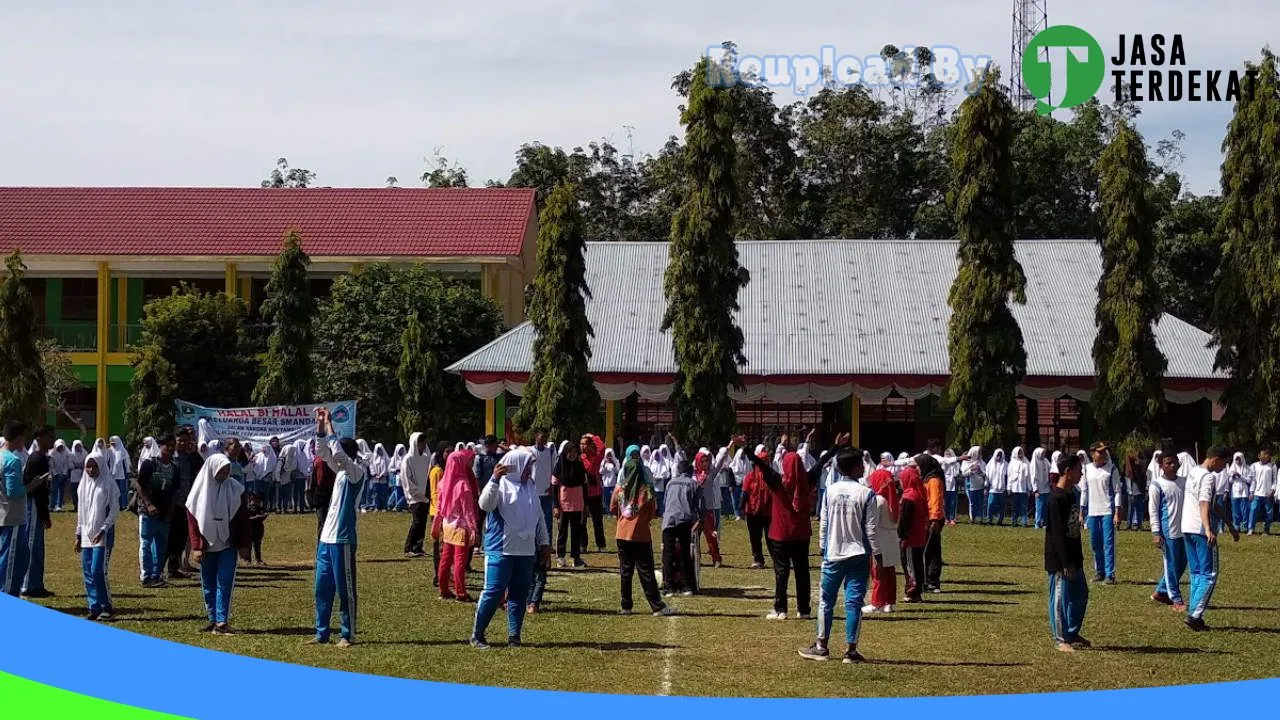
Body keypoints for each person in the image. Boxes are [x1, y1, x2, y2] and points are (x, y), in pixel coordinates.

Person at [798, 444, 880, 664]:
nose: (864, 467)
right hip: (859, 555)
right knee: (854, 602)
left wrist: (822, 547)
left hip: (833, 553)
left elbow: (823, 521)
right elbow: (871, 528)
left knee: (826, 600)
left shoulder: (830, 490)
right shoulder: (867, 493)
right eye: (861, 464)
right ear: (853, 467)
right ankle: (851, 651)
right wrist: (877, 554)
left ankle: (821, 646)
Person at [748, 430, 839, 620]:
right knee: (802, 571)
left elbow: (761, 466)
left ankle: (781, 609)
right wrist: (836, 446)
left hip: (780, 535)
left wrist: (745, 449)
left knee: (781, 572)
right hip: (801, 534)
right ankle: (804, 609)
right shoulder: (807, 480)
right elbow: (822, 463)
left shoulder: (777, 482)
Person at [470, 447, 552, 650]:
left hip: (525, 550)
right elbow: (485, 505)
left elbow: (539, 516)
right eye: (526, 466)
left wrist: (544, 543)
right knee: (493, 591)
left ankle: (514, 636)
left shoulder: (530, 487)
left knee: (519, 593)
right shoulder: (501, 485)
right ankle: (477, 635)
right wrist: (494, 479)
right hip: (501, 549)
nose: (529, 471)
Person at [309, 408, 367, 647]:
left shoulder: (355, 472)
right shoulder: (342, 472)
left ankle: (347, 634)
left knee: (345, 589)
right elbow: (323, 451)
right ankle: (321, 632)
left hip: (342, 538)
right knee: (321, 587)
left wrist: (332, 425)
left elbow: (337, 455)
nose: (336, 454)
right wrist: (321, 426)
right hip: (327, 537)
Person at [186, 453, 251, 635]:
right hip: (207, 545)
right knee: (208, 582)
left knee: (225, 581)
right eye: (221, 470)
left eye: (227, 470)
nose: (224, 473)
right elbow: (193, 520)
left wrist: (244, 544)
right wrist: (197, 546)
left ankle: (222, 621)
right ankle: (212, 618)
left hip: (227, 544)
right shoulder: (198, 492)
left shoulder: (235, 489)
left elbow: (243, 519)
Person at [1181, 446, 1239, 632]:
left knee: (1197, 573)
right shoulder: (1207, 477)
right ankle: (1195, 615)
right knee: (1209, 575)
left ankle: (1194, 613)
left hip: (1187, 527)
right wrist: (1208, 529)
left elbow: (1213, 504)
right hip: (1200, 529)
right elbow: (1205, 503)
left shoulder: (1193, 472)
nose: (1224, 467)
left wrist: (1229, 524)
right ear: (1215, 459)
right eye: (1223, 463)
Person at [610, 446, 672, 616]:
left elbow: (612, 506)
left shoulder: (620, 487)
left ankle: (626, 606)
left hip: (622, 534)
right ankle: (657, 606)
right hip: (641, 534)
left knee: (626, 571)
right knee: (646, 571)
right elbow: (652, 512)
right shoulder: (646, 490)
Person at [1046, 452, 1089, 652]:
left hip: (1074, 557)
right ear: (1067, 471)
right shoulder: (1056, 499)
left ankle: (1071, 632)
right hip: (1060, 560)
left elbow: (1073, 531)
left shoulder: (1072, 494)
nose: (1081, 474)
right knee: (1060, 599)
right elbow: (1057, 535)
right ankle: (1060, 638)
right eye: (1079, 470)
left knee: (1080, 594)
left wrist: (1077, 558)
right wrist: (1064, 564)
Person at [75, 445, 119, 620]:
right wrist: (78, 535)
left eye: (94, 466)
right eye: (88, 466)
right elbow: (80, 511)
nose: (91, 470)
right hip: (86, 533)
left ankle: (106, 605)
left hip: (102, 533)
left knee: (97, 570)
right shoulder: (82, 485)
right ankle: (94, 606)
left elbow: (114, 510)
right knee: (87, 571)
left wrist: (103, 529)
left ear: (101, 465)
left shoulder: (108, 483)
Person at [433, 447, 479, 602]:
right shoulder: (463, 485)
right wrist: (474, 529)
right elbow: (468, 511)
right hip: (460, 526)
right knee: (460, 560)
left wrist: (436, 524)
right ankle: (460, 592)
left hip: (447, 525)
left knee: (445, 558)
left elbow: (439, 507)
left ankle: (443, 588)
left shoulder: (443, 482)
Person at [133, 433, 178, 588]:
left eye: (173, 445)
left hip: (165, 513)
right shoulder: (149, 464)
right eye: (167, 445)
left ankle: (156, 575)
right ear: (160, 446)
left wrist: (171, 510)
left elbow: (174, 491)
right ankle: (146, 576)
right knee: (145, 543)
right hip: (148, 512)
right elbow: (139, 484)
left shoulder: (174, 467)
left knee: (161, 544)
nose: (171, 448)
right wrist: (148, 504)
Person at [19, 426, 56, 598]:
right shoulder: (36, 459)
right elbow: (34, 488)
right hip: (33, 506)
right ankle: (28, 585)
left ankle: (37, 583)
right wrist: (44, 515)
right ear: (39, 438)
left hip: (38, 506)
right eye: (49, 437)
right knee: (32, 546)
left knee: (38, 547)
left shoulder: (43, 458)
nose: (52, 441)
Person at [1149, 451, 1187, 611]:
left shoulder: (1184, 481)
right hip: (1168, 531)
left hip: (1184, 529)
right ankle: (1176, 599)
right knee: (1171, 564)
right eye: (1168, 463)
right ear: (1161, 466)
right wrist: (1156, 532)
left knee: (1182, 563)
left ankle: (1161, 591)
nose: (1172, 466)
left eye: (1174, 462)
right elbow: (1153, 510)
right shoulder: (1157, 485)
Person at [1080, 442, 1123, 584]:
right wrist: (1082, 511)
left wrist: (1117, 512)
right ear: (1093, 454)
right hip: (1093, 512)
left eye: (1105, 452)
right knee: (1095, 543)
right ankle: (1099, 571)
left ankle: (1110, 574)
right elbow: (1084, 491)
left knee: (1108, 543)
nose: (1103, 454)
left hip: (1107, 511)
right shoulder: (1087, 469)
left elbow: (1117, 491)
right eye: (1100, 452)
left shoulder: (1111, 469)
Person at [660, 454, 703, 596]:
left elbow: (665, 503)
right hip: (684, 521)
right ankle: (688, 586)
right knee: (685, 553)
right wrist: (699, 520)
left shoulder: (670, 483)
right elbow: (698, 506)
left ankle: (668, 586)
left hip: (669, 520)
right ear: (690, 472)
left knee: (668, 553)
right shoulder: (693, 484)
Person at [0, 423, 33, 597]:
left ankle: (13, 592)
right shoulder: (12, 460)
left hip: (4, 514)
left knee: (22, 556)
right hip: (11, 516)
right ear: (18, 437)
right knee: (9, 560)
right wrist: (31, 485)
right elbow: (13, 491)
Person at [863, 462, 899, 614]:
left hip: (880, 539)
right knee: (890, 572)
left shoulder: (877, 500)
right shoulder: (892, 499)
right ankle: (889, 602)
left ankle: (877, 602)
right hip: (891, 538)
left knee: (878, 572)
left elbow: (872, 523)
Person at [167, 426, 202, 580]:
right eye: (180, 441)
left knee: (181, 537)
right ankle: (162, 569)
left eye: (185, 441)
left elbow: (201, 468)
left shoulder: (190, 458)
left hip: (186, 503)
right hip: (171, 503)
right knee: (169, 537)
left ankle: (174, 569)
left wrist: (194, 452)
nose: (182, 444)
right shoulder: (169, 457)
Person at [528, 433, 557, 614]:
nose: (541, 441)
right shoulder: (530, 452)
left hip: (545, 493)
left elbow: (554, 469)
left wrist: (552, 486)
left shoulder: (549, 451)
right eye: (539, 438)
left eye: (544, 438)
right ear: (535, 439)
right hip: (533, 491)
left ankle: (546, 549)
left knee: (546, 522)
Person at [552, 441, 587, 568]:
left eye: (574, 452)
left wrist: (585, 504)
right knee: (562, 531)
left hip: (578, 504)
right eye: (570, 452)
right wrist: (556, 505)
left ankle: (576, 557)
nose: (572, 454)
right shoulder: (559, 466)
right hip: (563, 504)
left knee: (576, 532)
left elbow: (584, 486)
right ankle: (560, 557)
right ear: (565, 453)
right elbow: (555, 487)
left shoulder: (579, 465)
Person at [898, 462, 928, 603]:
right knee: (917, 563)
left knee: (910, 564)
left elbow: (904, 519)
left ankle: (913, 591)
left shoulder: (909, 496)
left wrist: (901, 534)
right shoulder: (919, 491)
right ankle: (917, 589)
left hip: (911, 537)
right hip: (919, 535)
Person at [400, 432, 432, 558]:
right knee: (417, 522)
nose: (423, 445)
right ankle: (409, 547)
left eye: (424, 442)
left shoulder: (425, 458)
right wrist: (416, 492)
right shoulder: (408, 459)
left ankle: (418, 546)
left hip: (425, 495)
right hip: (414, 497)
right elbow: (406, 479)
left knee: (423, 522)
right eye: (421, 442)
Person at [918, 454, 947, 594]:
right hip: (927, 518)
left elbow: (935, 501)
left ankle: (932, 582)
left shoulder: (934, 480)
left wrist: (934, 520)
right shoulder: (926, 478)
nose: (917, 468)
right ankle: (926, 580)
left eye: (919, 465)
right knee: (928, 550)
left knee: (932, 551)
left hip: (932, 520)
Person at [740, 445, 772, 569]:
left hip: (768, 512)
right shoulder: (750, 476)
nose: (765, 463)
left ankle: (776, 558)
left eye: (766, 461)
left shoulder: (771, 476)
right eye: (762, 461)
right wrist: (741, 509)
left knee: (771, 538)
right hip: (753, 512)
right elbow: (745, 493)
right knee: (755, 537)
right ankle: (758, 559)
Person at [580, 434, 607, 553]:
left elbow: (602, 447)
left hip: (595, 494)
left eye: (585, 443)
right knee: (582, 521)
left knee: (597, 521)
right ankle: (583, 545)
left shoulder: (596, 457)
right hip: (582, 494)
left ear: (591, 445)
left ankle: (601, 544)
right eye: (581, 444)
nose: (582, 446)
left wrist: (593, 436)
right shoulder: (579, 458)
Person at [309, 441, 337, 540]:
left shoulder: (332, 461)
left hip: (330, 494)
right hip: (322, 495)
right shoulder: (319, 461)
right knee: (324, 522)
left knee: (326, 522)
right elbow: (315, 480)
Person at [1249, 449, 1275, 535]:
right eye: (1263, 455)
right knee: (1253, 510)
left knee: (1269, 513)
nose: (1265, 456)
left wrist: (1272, 490)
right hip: (1257, 493)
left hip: (1268, 494)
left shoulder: (1272, 466)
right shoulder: (1254, 465)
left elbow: (1275, 480)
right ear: (1259, 456)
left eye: (1267, 455)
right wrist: (1251, 492)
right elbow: (1253, 480)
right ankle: (1251, 529)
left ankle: (1266, 530)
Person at [1225, 452, 1252, 532]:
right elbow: (1229, 481)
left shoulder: (1247, 468)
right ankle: (1236, 525)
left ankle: (1245, 526)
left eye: (1239, 459)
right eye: (1236, 460)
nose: (1238, 461)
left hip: (1244, 491)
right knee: (1235, 509)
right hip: (1235, 491)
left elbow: (1249, 480)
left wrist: (1240, 476)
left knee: (1245, 510)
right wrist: (1233, 476)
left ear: (1242, 459)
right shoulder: (1232, 468)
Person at [1008, 447, 1032, 528]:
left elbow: (1028, 476)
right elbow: (1009, 476)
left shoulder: (1026, 462)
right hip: (1014, 488)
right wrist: (1009, 487)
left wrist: (1029, 488)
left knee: (1024, 506)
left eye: (1021, 452)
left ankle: (1024, 522)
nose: (1020, 454)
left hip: (1023, 488)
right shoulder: (1012, 463)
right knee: (1014, 506)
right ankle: (1014, 521)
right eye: (1018, 453)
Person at [961, 446, 986, 524]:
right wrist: (972, 469)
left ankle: (980, 518)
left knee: (980, 502)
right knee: (972, 502)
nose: (979, 455)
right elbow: (964, 473)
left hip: (980, 485)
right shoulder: (966, 462)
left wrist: (980, 470)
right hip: (970, 485)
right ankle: (972, 518)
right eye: (978, 453)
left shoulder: (982, 462)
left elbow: (985, 474)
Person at [1126, 453, 1148, 531]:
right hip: (1133, 491)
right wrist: (1130, 491)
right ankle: (1129, 525)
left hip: (1139, 491)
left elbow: (1144, 479)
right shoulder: (1130, 470)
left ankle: (1139, 525)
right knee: (1132, 509)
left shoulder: (1140, 469)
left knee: (1138, 509)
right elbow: (1128, 479)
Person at [985, 448, 1008, 525]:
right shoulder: (990, 464)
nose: (999, 457)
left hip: (1002, 489)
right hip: (992, 489)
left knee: (1001, 505)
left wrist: (1007, 488)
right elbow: (987, 476)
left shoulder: (1005, 464)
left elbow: (1007, 476)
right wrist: (986, 487)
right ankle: (989, 520)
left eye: (1000, 455)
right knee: (991, 504)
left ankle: (1000, 520)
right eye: (997, 455)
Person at [109, 436, 132, 511]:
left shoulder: (122, 451)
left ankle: (123, 505)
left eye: (114, 443)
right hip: (112, 474)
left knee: (122, 490)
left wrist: (128, 471)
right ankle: (115, 505)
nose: (113, 445)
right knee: (114, 490)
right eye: (112, 443)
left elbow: (127, 462)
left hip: (121, 474)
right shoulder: (109, 450)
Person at [49, 440, 72, 513]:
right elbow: (51, 465)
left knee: (61, 490)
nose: (60, 448)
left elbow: (66, 465)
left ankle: (59, 505)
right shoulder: (52, 453)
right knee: (54, 490)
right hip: (54, 474)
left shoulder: (66, 454)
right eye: (59, 447)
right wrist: (56, 474)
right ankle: (53, 505)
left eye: (61, 446)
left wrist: (63, 474)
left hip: (63, 474)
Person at [367, 443, 390, 512]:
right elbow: (371, 467)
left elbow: (387, 467)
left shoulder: (386, 458)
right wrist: (374, 474)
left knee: (383, 493)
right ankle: (376, 506)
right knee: (375, 493)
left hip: (383, 478)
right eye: (378, 450)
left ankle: (384, 507)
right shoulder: (373, 458)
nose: (379, 451)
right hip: (375, 479)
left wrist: (382, 475)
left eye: (380, 449)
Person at [246, 492, 268, 565]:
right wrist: (256, 517)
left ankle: (258, 560)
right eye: (255, 500)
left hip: (258, 530)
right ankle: (248, 560)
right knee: (248, 546)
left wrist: (253, 518)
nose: (256, 502)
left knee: (257, 546)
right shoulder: (247, 508)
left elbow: (264, 516)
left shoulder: (260, 508)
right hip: (249, 529)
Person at [1033, 447, 1052, 528]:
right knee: (1039, 507)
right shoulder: (1034, 463)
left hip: (1046, 488)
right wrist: (1035, 490)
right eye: (1042, 453)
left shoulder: (1046, 461)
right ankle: (1037, 523)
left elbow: (1050, 469)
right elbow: (1033, 477)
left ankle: (1044, 522)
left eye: (1044, 453)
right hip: (1039, 489)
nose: (1043, 455)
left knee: (1045, 507)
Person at [387, 444, 407, 512]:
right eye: (399, 450)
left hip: (405, 478)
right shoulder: (394, 459)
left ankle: (401, 506)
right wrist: (395, 470)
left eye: (402, 449)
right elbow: (389, 468)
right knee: (398, 493)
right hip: (398, 478)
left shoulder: (406, 458)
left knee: (405, 493)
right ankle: (398, 507)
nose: (401, 451)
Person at [942, 449, 960, 525]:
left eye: (949, 454)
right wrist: (946, 464)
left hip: (953, 484)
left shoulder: (956, 464)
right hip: (945, 483)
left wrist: (953, 466)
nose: (947, 456)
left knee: (952, 502)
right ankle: (946, 518)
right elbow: (942, 470)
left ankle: (952, 518)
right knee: (945, 502)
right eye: (946, 454)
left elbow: (956, 473)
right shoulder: (943, 463)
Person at [68, 440, 86, 512]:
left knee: (82, 492)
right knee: (74, 492)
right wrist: (77, 466)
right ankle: (76, 507)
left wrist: (78, 465)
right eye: (76, 446)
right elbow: (70, 465)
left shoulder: (85, 453)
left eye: (79, 446)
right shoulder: (71, 454)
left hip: (82, 475)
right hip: (74, 476)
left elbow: (86, 463)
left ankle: (82, 507)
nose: (78, 447)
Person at [600, 448, 619, 516]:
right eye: (607, 455)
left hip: (613, 484)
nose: (609, 457)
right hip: (606, 485)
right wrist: (604, 464)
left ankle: (614, 512)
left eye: (610, 455)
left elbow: (617, 471)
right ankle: (608, 512)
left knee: (613, 499)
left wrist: (613, 464)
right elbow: (601, 472)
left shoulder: (616, 461)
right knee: (607, 499)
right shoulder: (603, 461)